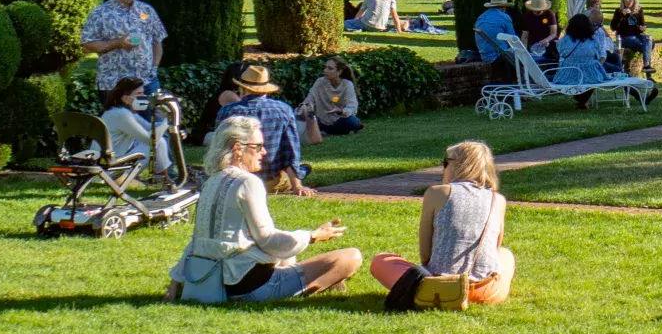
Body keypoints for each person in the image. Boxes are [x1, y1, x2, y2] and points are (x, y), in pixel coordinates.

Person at [165, 116, 361, 304]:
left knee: (286, 250)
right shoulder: (248, 182)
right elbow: (268, 239)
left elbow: (198, 240)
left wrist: (176, 281)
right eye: (258, 146)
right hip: (248, 289)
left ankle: (308, 278)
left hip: (212, 282)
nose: (264, 152)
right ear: (237, 149)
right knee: (350, 257)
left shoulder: (212, 181)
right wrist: (312, 236)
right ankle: (314, 285)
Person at [369, 140, 516, 307]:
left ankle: (432, 294)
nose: (442, 169)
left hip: (438, 286)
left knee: (381, 261)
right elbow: (495, 248)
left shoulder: (437, 193)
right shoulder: (498, 200)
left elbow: (425, 255)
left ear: (456, 166)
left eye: (445, 163)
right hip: (486, 289)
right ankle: (472, 297)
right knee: (506, 255)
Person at [216, 65, 313, 196]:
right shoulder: (283, 110)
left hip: (233, 181)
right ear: (266, 89)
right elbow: (290, 151)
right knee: (304, 169)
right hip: (269, 182)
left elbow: (219, 149)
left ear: (243, 88)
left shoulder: (226, 111)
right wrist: (297, 185)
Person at [81, 0, 167, 94]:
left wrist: (153, 68)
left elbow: (157, 41)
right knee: (119, 115)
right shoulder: (100, 13)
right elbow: (87, 46)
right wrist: (118, 43)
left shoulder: (146, 10)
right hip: (114, 84)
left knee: (148, 115)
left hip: (146, 82)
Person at [100, 78, 179, 183]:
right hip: (111, 170)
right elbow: (151, 140)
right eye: (138, 93)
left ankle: (163, 178)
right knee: (158, 142)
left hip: (108, 164)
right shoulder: (122, 115)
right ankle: (165, 179)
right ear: (125, 97)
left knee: (159, 141)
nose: (143, 97)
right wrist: (167, 121)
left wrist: (166, 117)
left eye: (143, 93)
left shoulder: (120, 111)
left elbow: (149, 127)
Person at [552, 14, 609, 106]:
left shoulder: (566, 39)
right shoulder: (593, 40)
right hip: (591, 72)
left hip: (567, 72)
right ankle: (582, 100)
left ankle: (580, 100)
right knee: (593, 80)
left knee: (580, 80)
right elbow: (598, 54)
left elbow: (561, 51)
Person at [299, 57, 363, 136]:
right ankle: (329, 131)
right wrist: (304, 107)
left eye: (330, 68)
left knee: (352, 121)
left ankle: (327, 131)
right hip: (321, 121)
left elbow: (352, 107)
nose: (325, 70)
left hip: (340, 120)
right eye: (325, 67)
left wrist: (340, 111)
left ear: (339, 72)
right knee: (305, 119)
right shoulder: (320, 82)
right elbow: (310, 99)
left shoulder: (347, 85)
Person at [473, 0, 518, 78]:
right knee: (521, 53)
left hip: (485, 56)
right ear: (503, 7)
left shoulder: (481, 17)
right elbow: (513, 40)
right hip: (499, 57)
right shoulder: (504, 17)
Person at [610, 0, 655, 75]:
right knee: (645, 45)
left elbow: (642, 25)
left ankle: (646, 66)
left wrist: (642, 28)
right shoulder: (619, 11)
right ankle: (647, 66)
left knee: (649, 39)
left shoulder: (639, 10)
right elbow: (613, 27)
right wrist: (621, 15)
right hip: (625, 37)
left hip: (638, 35)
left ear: (634, 0)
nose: (627, 1)